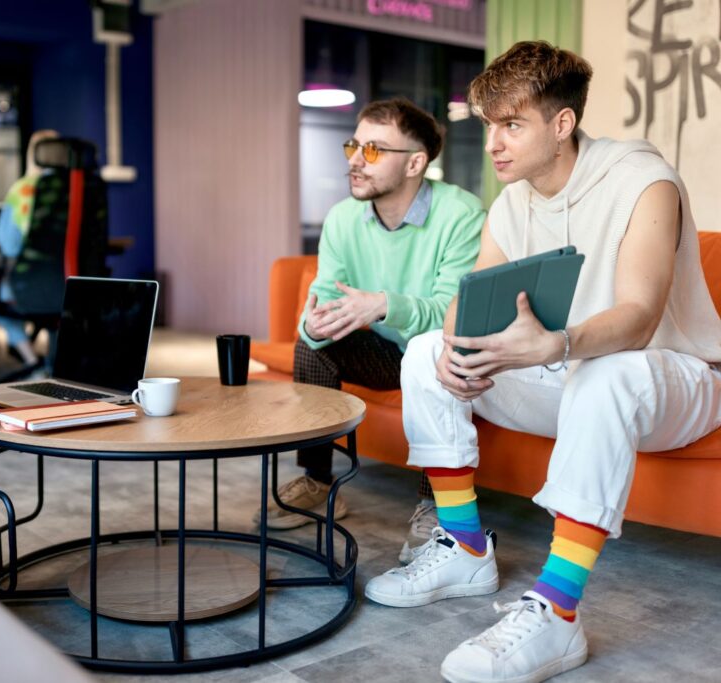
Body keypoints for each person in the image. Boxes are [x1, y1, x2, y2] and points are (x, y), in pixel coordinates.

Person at [365, 41, 721, 683]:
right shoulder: (513, 201)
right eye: (489, 126)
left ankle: (558, 613)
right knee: (424, 353)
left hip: (673, 379)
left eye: (512, 125)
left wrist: (554, 345)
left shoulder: (644, 180)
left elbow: (639, 318)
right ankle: (465, 546)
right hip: (571, 377)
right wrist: (458, 349)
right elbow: (469, 300)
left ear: (561, 125)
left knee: (607, 370)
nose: (494, 143)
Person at [257, 97, 485, 555]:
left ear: (416, 163)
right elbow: (320, 299)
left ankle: (436, 501)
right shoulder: (343, 218)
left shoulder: (461, 215)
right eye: (354, 146)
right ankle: (317, 481)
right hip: (384, 354)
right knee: (314, 347)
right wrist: (316, 323)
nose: (356, 161)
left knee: (438, 349)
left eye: (375, 150)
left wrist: (383, 306)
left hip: (440, 352)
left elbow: (454, 313)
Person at [0, 129, 60, 366]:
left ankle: (33, 362)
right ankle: (57, 361)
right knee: (60, 306)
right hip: (74, 283)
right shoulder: (79, 191)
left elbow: (9, 245)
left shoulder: (23, 190)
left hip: (30, 284)